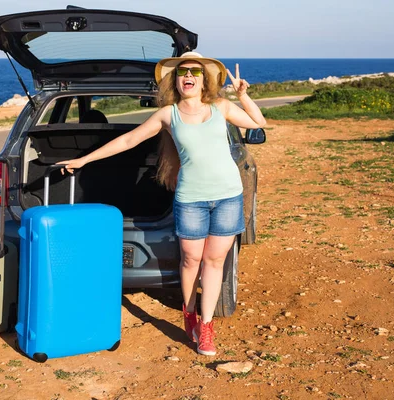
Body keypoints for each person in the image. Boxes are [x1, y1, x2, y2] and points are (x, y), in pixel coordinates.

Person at [57, 52, 266, 356]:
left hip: (227, 196)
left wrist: (244, 96)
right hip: (191, 199)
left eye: (195, 71)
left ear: (205, 78)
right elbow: (128, 141)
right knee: (190, 261)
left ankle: (206, 327)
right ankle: (190, 312)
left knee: (215, 261)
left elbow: (258, 123)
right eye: (183, 72)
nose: (189, 76)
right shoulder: (168, 115)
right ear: (176, 80)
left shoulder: (221, 107)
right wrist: (84, 159)